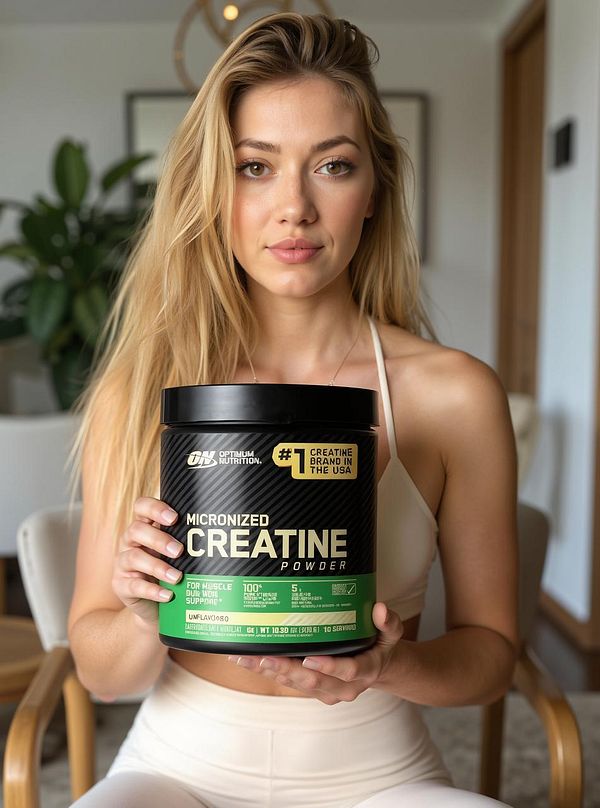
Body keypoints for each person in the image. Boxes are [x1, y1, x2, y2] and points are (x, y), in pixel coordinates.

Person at [66, 11, 518, 808]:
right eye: (254, 167)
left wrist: (388, 665)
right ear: (214, 188)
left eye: (333, 166)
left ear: (374, 188)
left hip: (379, 771)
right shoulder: (140, 391)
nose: (295, 208)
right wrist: (141, 614)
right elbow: (101, 673)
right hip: (174, 764)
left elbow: (490, 659)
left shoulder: (455, 395)